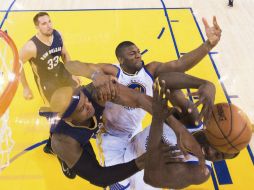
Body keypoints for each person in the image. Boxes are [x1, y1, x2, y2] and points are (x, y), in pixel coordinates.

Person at [64, 16, 220, 189]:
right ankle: (66, 156)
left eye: (138, 51)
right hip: (112, 134)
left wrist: (208, 45)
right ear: (121, 59)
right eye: (132, 53)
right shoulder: (112, 71)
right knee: (117, 183)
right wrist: (95, 75)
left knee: (144, 172)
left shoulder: (151, 70)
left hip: (133, 129)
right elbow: (74, 66)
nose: (138, 54)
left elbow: (179, 64)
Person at [141, 80, 240, 189]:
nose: (210, 152)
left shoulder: (199, 172)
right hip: (126, 143)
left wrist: (160, 119)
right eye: (216, 146)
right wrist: (205, 84)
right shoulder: (192, 120)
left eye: (218, 156)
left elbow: (150, 178)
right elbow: (165, 80)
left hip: (136, 180)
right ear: (212, 132)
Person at [19, 12, 79, 153]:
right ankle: (50, 144)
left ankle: (72, 129)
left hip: (62, 74)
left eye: (49, 21)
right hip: (48, 83)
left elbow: (65, 54)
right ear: (37, 27)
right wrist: (25, 88)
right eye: (44, 23)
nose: (48, 25)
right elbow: (18, 65)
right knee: (57, 114)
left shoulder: (57, 35)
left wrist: (73, 73)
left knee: (77, 100)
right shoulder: (31, 47)